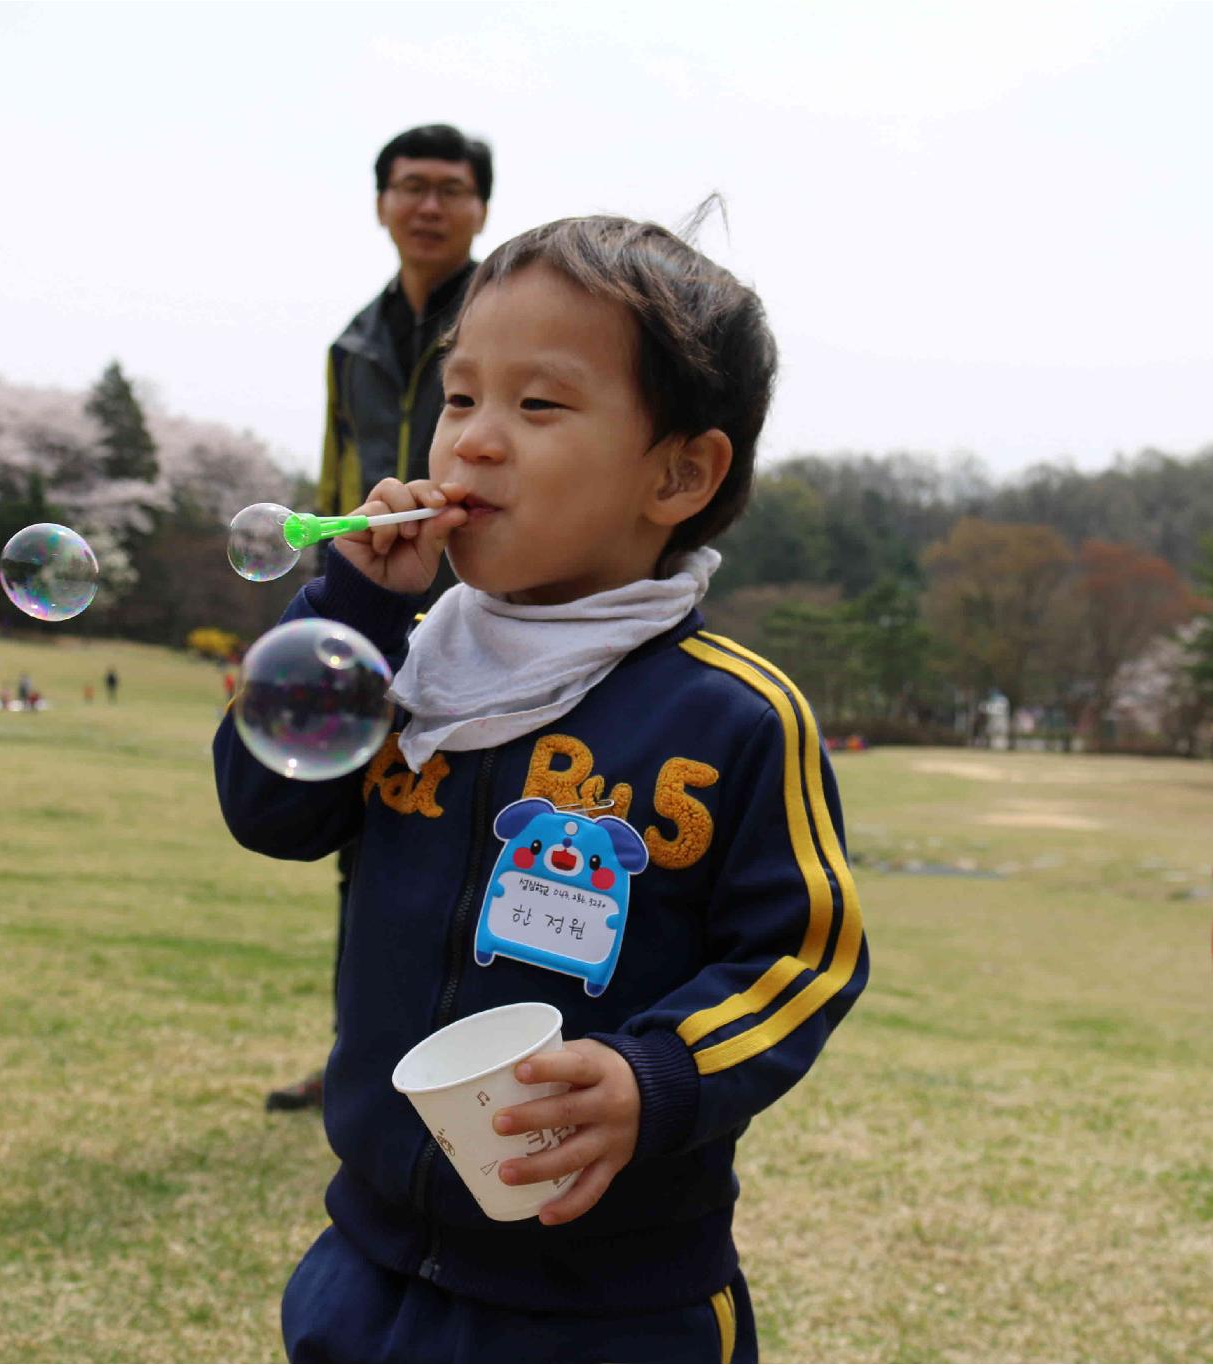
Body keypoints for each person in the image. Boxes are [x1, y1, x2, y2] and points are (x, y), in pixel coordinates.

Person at [215, 213, 867, 1361]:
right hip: (366, 1264)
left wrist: (651, 1071)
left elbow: (802, 956)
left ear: (678, 473)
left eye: (538, 405)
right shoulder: (408, 666)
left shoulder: (732, 715)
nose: (470, 443)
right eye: (459, 397)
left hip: (611, 1304)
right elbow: (271, 810)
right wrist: (355, 611)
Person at [268, 121, 495, 1115]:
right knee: (366, 839)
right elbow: (330, 484)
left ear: (481, 206)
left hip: (479, 612)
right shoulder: (349, 344)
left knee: (476, 835)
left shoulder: (498, 316)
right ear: (379, 203)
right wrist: (326, 615)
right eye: (410, 185)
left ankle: (459, 1065)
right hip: (378, 616)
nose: (429, 205)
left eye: (450, 188)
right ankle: (358, 1055)